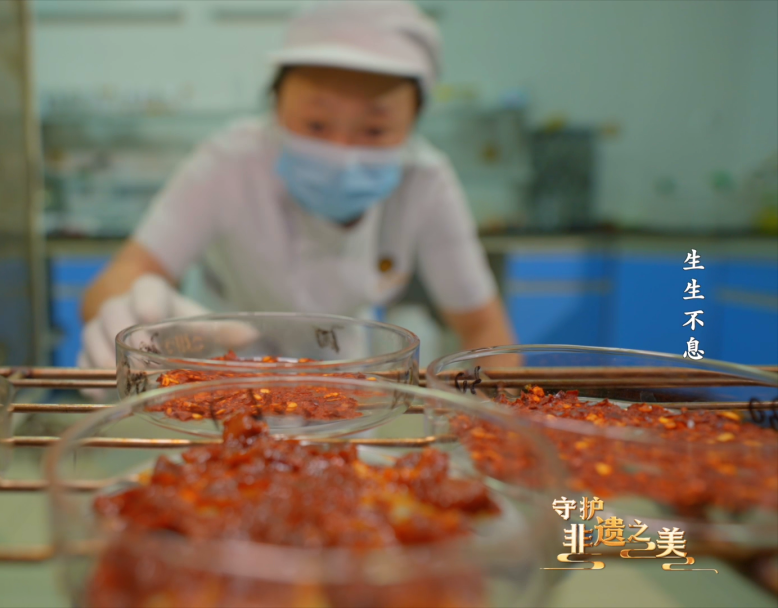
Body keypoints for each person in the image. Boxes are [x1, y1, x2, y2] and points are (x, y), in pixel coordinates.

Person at [78, 0, 515, 373]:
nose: (342, 154)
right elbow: (119, 278)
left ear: (413, 123)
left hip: (345, 375)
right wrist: (133, 315)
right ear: (276, 106)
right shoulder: (229, 163)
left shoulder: (426, 181)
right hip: (218, 367)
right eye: (316, 124)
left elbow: (483, 328)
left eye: (375, 130)